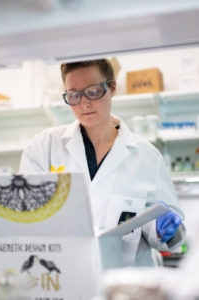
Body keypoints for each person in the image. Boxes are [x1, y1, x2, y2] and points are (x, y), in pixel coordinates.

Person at [19, 59, 185, 267]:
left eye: (93, 91)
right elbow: (25, 215)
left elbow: (169, 233)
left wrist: (163, 229)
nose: (84, 103)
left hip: (125, 284)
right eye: (74, 95)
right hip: (62, 276)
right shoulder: (44, 147)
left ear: (112, 87)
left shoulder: (147, 157)